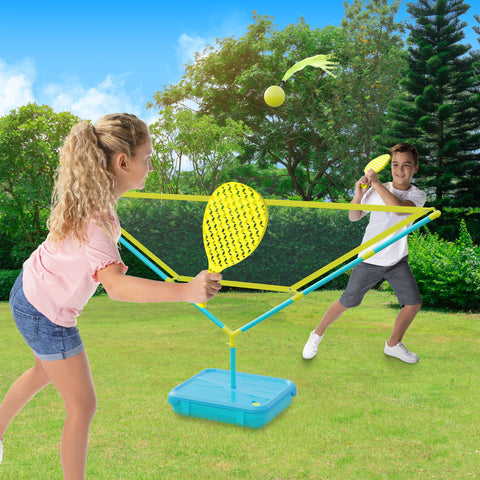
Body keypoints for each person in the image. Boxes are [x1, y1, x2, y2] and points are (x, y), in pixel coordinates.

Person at [0, 113, 222, 479]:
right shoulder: (96, 218)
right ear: (123, 162)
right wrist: (186, 291)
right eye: (147, 158)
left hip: (28, 292)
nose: (151, 166)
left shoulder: (90, 198)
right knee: (83, 405)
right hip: (46, 312)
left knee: (44, 371)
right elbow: (116, 287)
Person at [302, 142, 426, 364]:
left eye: (406, 165)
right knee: (348, 301)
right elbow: (354, 216)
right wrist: (358, 193)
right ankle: (316, 335)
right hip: (370, 258)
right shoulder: (378, 189)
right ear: (391, 167)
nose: (399, 170)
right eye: (395, 165)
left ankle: (393, 345)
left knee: (413, 303)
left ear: (415, 168)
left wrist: (376, 183)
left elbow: (398, 210)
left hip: (397, 259)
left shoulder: (418, 195)